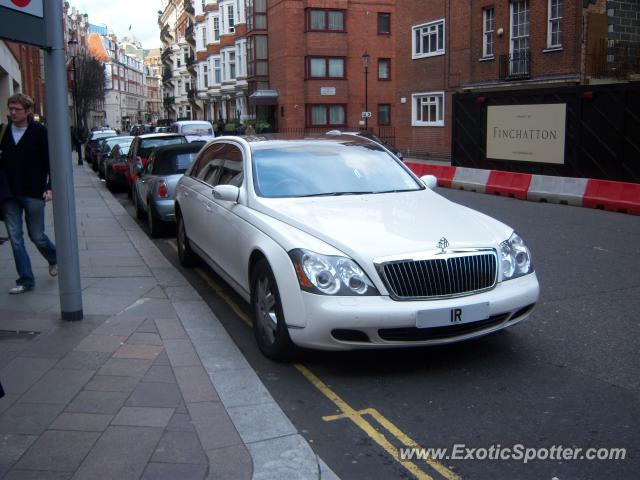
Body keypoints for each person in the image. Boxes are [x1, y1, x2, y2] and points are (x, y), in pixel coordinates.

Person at [0, 93, 57, 294]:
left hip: (34, 192)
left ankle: (54, 257)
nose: (13, 112)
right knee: (15, 238)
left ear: (28, 111)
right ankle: (25, 280)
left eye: (17, 109)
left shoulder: (39, 132)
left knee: (37, 235)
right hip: (9, 194)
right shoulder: (3, 132)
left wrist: (50, 187)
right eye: (11, 109)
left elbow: (50, 160)